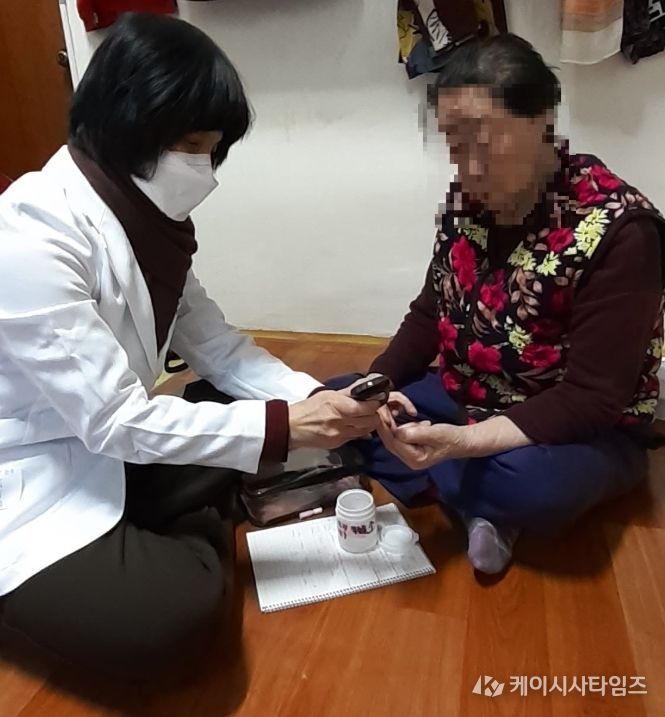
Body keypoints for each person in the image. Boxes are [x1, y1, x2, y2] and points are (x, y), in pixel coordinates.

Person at [0, 14, 412, 679]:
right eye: (191, 145)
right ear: (128, 122)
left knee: (242, 408)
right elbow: (114, 420)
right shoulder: (30, 237)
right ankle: (182, 526)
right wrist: (284, 427)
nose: (204, 171)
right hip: (34, 478)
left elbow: (218, 346)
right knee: (177, 619)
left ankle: (180, 515)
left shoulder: (146, 224)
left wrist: (316, 398)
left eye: (211, 149)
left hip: (112, 450)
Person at [330, 34, 665, 576]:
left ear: (542, 119)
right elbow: (430, 311)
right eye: (453, 143)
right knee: (338, 398)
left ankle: (453, 486)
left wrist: (463, 443)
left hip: (573, 429)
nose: (468, 166)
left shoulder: (621, 231)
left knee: (537, 486)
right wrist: (376, 387)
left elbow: (592, 399)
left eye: (482, 142)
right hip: (468, 393)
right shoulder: (468, 200)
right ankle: (476, 504)